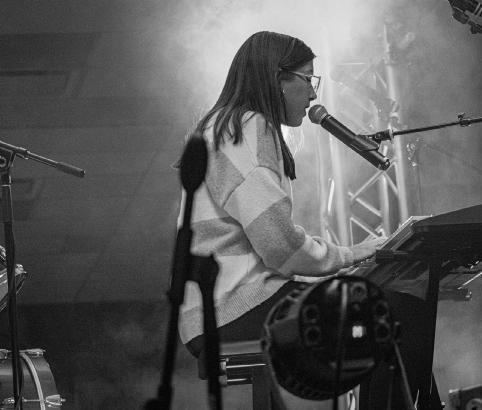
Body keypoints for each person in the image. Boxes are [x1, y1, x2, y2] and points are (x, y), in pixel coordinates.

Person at [179, 31, 440, 409]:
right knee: (398, 312)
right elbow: (279, 246)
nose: (314, 95)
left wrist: (333, 268)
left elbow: (273, 245)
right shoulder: (248, 126)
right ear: (277, 79)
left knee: (376, 313)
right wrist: (353, 254)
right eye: (308, 79)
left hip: (218, 307)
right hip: (235, 307)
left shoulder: (225, 126)